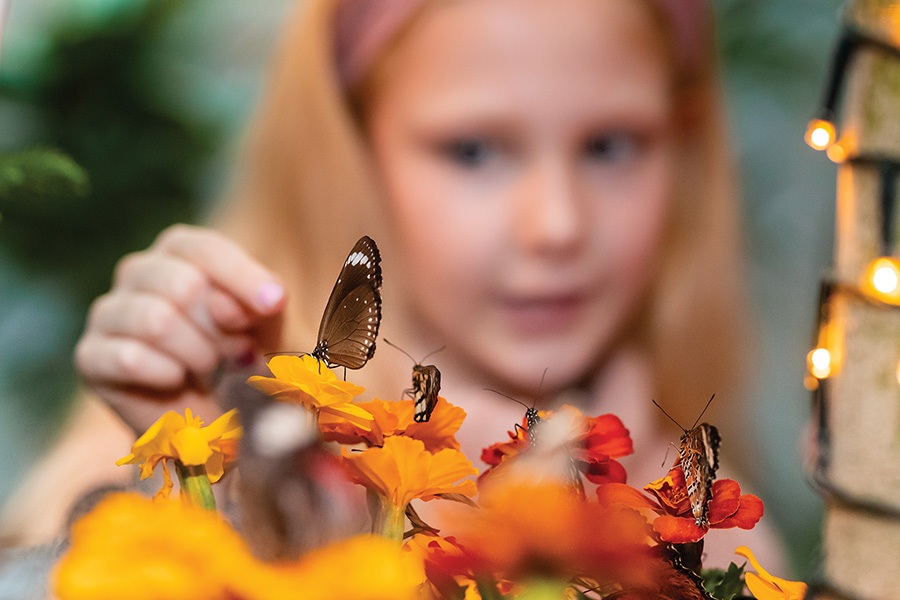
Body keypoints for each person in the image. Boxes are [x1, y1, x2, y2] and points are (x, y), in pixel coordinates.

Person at [2, 0, 782, 568]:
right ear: (350, 154)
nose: (557, 224)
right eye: (474, 150)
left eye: (611, 145)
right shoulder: (215, 410)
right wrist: (216, 490)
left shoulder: (714, 523)